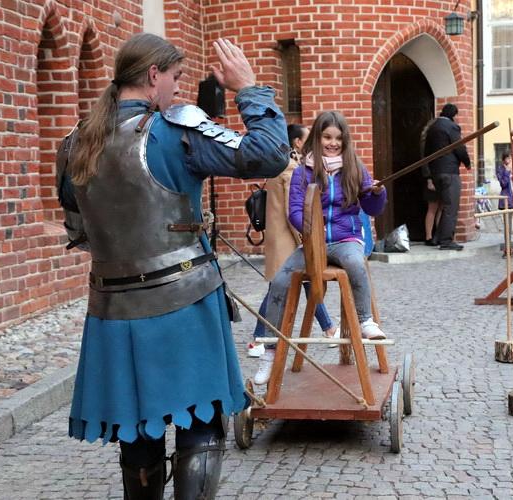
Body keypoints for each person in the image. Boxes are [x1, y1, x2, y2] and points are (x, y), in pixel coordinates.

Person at [56, 34, 290, 500]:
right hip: (185, 298)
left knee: (138, 432)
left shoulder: (75, 142)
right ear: (152, 75)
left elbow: (79, 229)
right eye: (176, 77)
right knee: (200, 425)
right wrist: (249, 89)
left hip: (112, 307)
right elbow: (269, 155)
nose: (179, 88)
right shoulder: (175, 131)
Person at [253, 111, 388, 383]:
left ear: (345, 140)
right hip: (313, 244)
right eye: (327, 137)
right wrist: (312, 230)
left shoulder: (355, 168)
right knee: (280, 281)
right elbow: (294, 211)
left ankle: (365, 321)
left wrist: (377, 193)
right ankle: (270, 348)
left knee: (356, 264)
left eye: (338, 138)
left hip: (345, 239)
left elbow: (372, 208)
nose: (333, 143)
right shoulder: (303, 171)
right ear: (317, 138)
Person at [251, 124, 338, 363]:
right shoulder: (290, 167)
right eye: (308, 138)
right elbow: (294, 209)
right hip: (288, 239)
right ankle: (259, 338)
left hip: (281, 237)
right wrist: (306, 237)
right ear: (297, 142)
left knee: (303, 283)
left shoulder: (280, 164)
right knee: (280, 288)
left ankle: (328, 328)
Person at [423, 103, 471, 250]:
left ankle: (437, 237)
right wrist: (467, 162)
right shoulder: (451, 127)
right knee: (450, 207)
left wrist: (430, 174)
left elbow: (426, 152)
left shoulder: (432, 128)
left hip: (436, 172)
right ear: (453, 115)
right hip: (449, 172)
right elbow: (459, 147)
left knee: (444, 206)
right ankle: (446, 241)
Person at [420, 117, 441, 245]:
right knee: (432, 207)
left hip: (439, 175)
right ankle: (428, 236)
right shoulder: (426, 142)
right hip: (432, 177)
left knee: (440, 208)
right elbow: (425, 162)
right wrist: (429, 178)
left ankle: (438, 235)